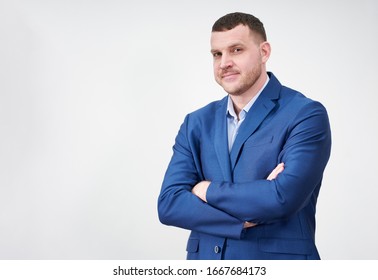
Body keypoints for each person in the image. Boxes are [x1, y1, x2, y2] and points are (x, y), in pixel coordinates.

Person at [157, 12, 331, 260]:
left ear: (264, 52)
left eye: (236, 50)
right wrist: (244, 214)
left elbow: (281, 198)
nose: (223, 62)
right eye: (217, 54)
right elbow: (169, 205)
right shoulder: (196, 122)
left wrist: (203, 190)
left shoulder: (304, 114)